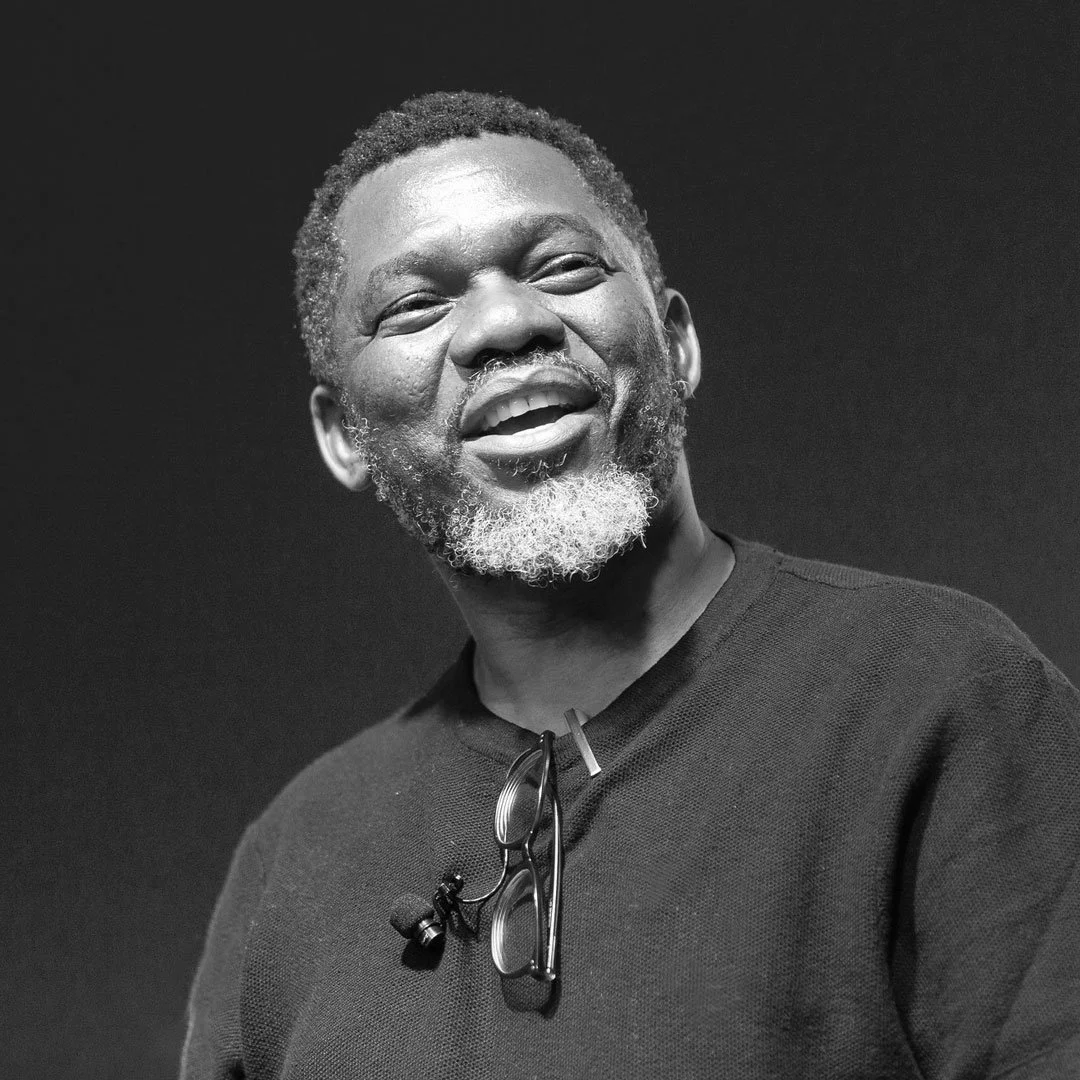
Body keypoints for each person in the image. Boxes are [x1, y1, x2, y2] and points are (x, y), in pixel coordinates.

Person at [181, 92, 1080, 1079]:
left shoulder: (937, 700)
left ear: (678, 343)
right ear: (345, 436)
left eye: (563, 267)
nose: (505, 323)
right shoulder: (296, 860)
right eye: (415, 306)